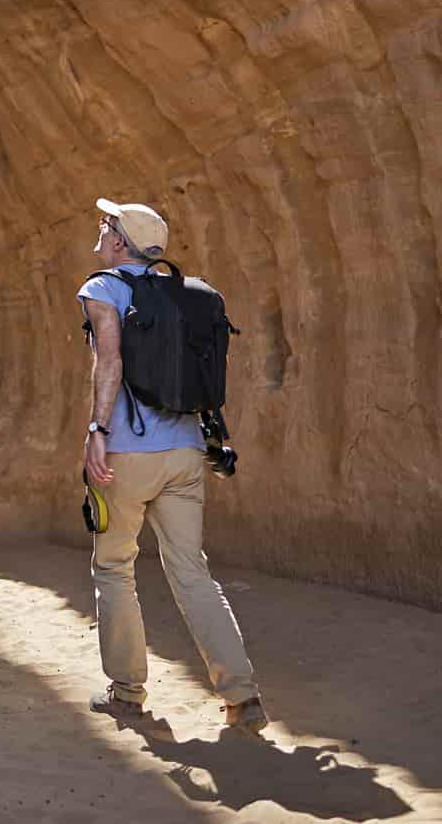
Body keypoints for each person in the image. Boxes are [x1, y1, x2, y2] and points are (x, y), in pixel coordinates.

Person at [80, 198, 266, 732]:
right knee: (192, 573)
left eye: (106, 224)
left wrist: (97, 430)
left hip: (127, 455)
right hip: (186, 452)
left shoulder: (102, 288)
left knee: (114, 567)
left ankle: (127, 693)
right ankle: (242, 696)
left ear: (120, 242)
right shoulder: (188, 297)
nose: (101, 228)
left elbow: (109, 360)